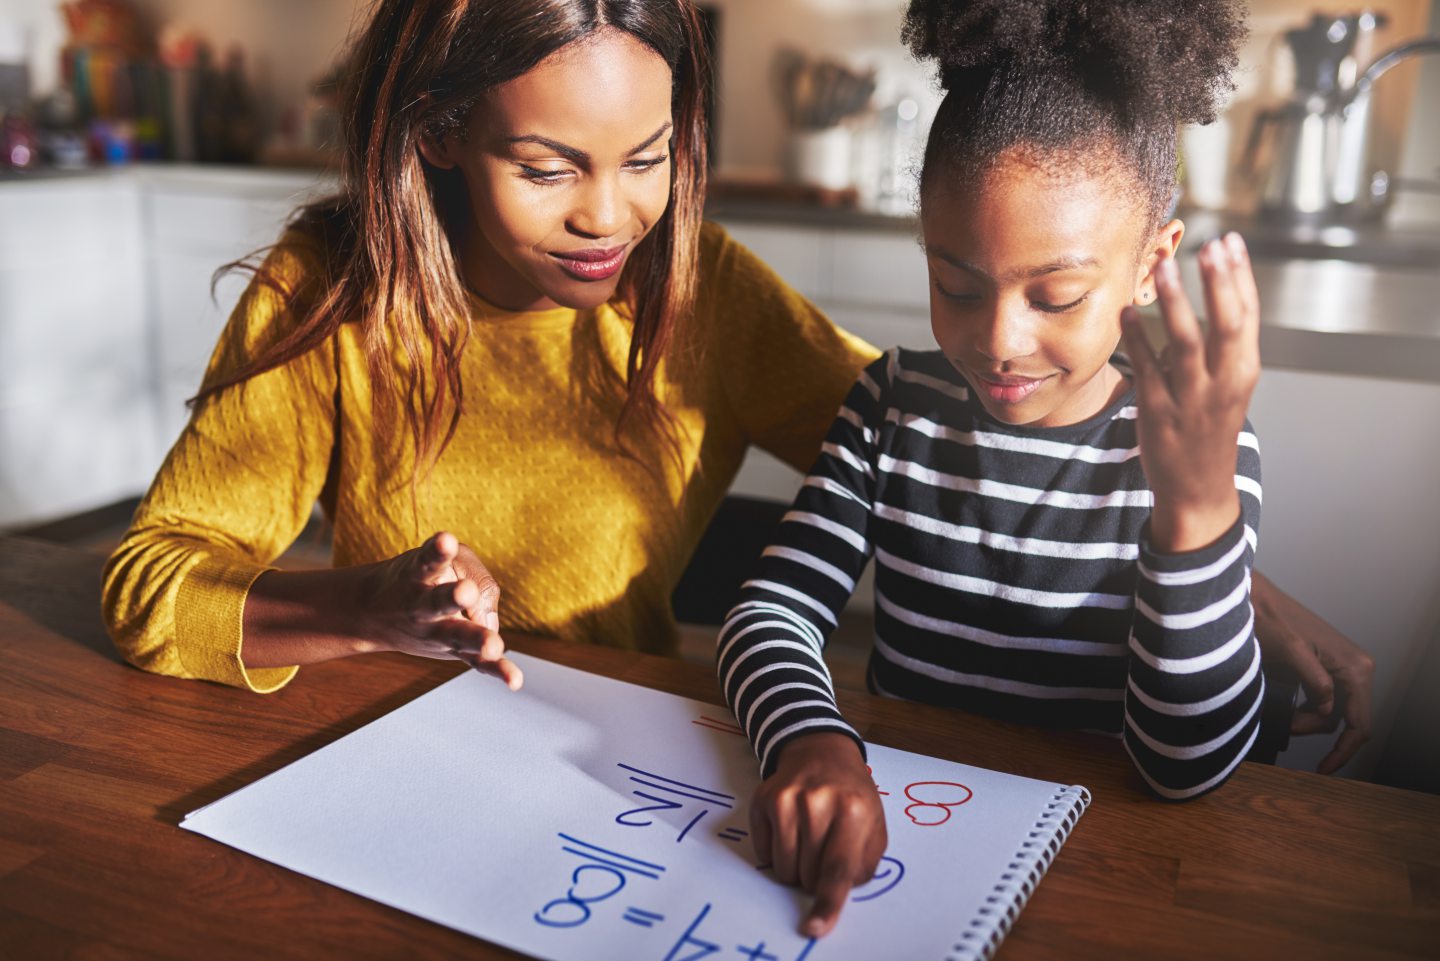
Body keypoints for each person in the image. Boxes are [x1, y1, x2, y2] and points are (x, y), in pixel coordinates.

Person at [101, 0, 1370, 797]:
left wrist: (1215, 552)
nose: (612, 217)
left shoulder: (699, 287)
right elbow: (154, 585)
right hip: (384, 752)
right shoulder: (331, 292)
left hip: (619, 765)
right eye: (548, 167)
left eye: (647, 158)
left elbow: (968, 444)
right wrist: (361, 608)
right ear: (436, 131)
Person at [715, 0, 1301, 938]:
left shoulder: (1197, 449)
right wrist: (812, 740)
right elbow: (769, 609)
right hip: (906, 846)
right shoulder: (893, 403)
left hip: (1095, 876)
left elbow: (1180, 767)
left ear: (1153, 265)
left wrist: (1195, 510)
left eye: (1057, 296)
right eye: (956, 284)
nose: (997, 340)